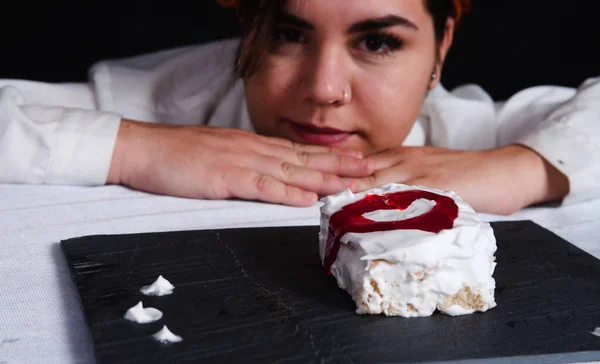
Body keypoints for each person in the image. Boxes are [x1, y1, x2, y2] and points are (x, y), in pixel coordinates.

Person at [0, 0, 597, 215]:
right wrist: (134, 146)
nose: (324, 89)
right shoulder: (166, 103)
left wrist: (525, 167)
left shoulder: (472, 131)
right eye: (288, 34)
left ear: (440, 44)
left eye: (377, 42)